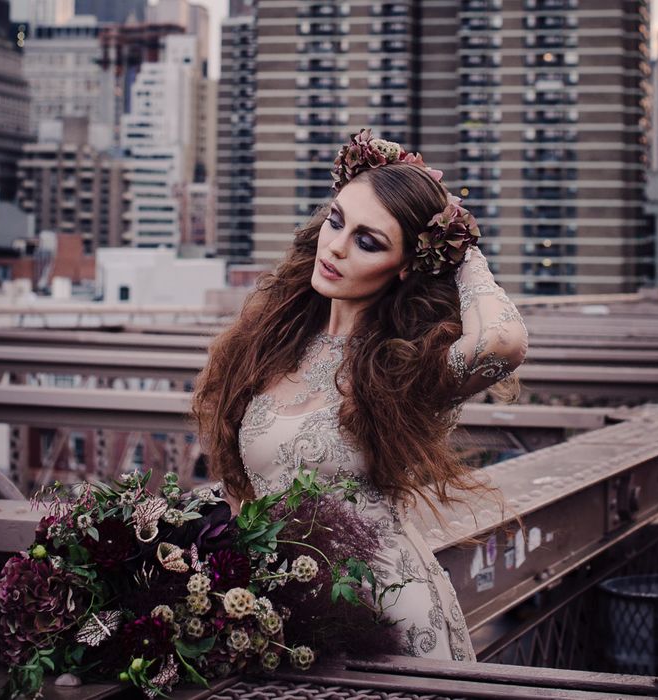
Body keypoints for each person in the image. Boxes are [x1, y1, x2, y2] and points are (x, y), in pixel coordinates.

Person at [193, 129, 528, 661]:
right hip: (279, 618)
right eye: (336, 220)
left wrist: (460, 251)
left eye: (369, 242)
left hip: (386, 614)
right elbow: (244, 492)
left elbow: (504, 342)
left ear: (405, 266)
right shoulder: (274, 342)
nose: (337, 247)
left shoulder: (408, 365)